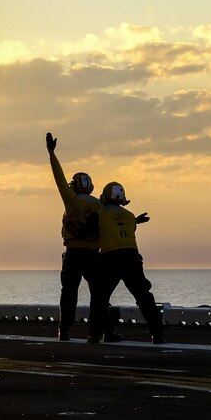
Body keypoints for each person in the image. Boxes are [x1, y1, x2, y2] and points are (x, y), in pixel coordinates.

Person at [46, 132, 114, 341]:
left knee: (69, 293)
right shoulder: (99, 204)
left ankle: (64, 330)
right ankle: (98, 332)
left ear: (74, 185)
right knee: (99, 294)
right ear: (91, 187)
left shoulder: (71, 199)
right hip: (94, 255)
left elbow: (58, 178)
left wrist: (51, 154)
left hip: (73, 254)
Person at [87, 182, 166, 344]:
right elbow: (121, 226)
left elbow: (87, 232)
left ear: (105, 197)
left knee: (99, 298)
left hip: (109, 257)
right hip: (132, 257)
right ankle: (157, 334)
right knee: (144, 296)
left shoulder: (98, 214)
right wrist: (136, 221)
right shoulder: (130, 216)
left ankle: (95, 335)